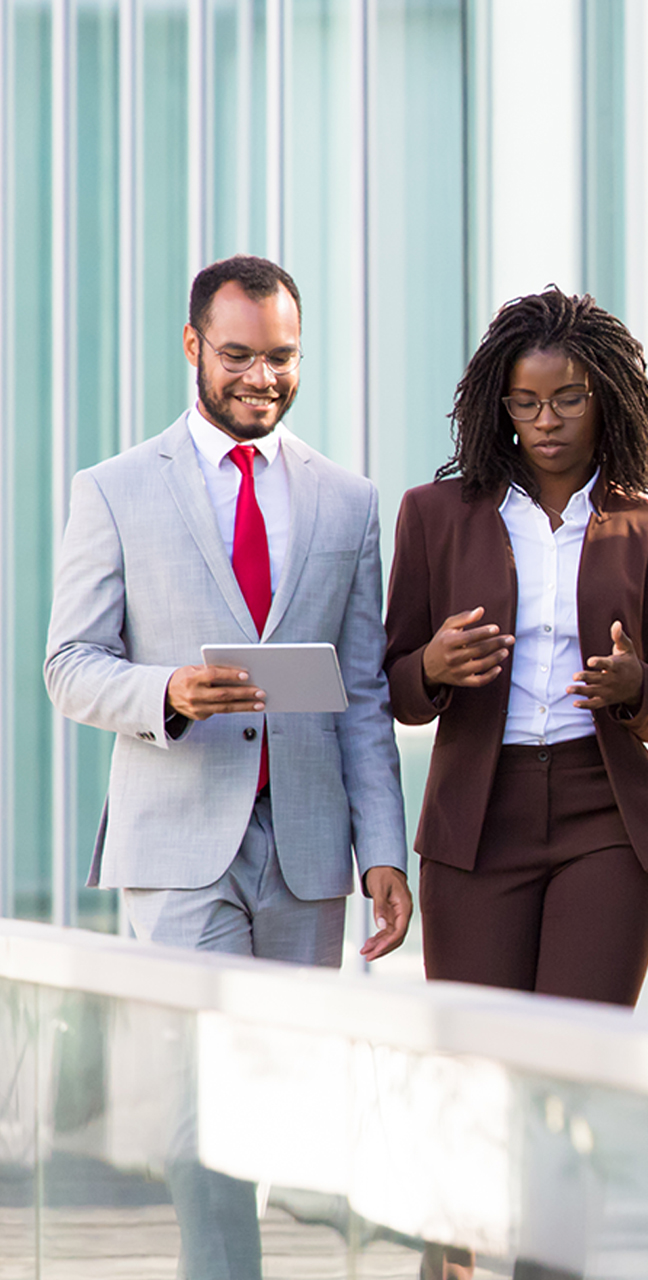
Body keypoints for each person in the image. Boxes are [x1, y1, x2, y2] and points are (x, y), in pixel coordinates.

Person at [44, 254, 410, 1280]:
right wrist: (167, 692)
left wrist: (383, 849)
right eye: (241, 354)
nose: (264, 376)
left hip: (305, 850)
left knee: (283, 1110)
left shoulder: (347, 500)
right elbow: (68, 665)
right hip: (177, 845)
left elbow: (365, 691)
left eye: (283, 357)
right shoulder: (112, 489)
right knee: (204, 1119)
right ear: (196, 346)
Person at [384, 286, 648, 1009]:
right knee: (479, 1061)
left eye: (568, 399)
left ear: (606, 399)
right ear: (500, 406)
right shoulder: (434, 517)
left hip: (608, 819)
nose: (546, 420)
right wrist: (431, 667)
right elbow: (394, 690)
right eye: (525, 402)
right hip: (478, 821)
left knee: (580, 1058)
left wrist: (634, 688)